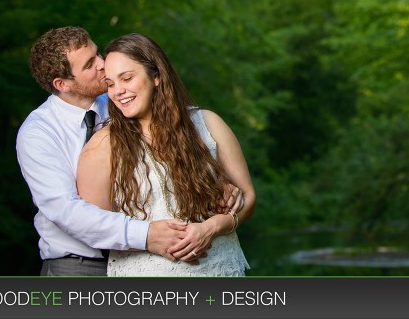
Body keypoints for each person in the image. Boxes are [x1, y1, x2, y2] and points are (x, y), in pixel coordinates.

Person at [16, 26, 240, 276]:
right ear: (62, 84)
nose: (102, 64)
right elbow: (66, 210)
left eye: (97, 53)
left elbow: (165, 159)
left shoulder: (123, 100)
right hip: (79, 266)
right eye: (90, 64)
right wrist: (146, 236)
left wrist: (214, 183)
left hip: (155, 258)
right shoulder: (38, 133)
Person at [77, 33, 255, 276]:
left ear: (156, 76)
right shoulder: (103, 145)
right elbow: (93, 227)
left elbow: (248, 197)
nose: (118, 91)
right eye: (110, 84)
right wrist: (148, 238)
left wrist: (212, 227)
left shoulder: (208, 124)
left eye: (127, 78)